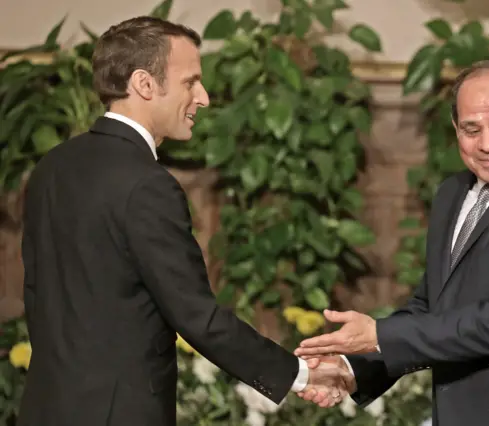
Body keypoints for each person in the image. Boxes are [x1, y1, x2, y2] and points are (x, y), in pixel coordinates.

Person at [18, 16, 347, 426]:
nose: (204, 97)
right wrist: (300, 375)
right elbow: (196, 315)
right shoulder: (147, 185)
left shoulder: (52, 166)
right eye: (191, 82)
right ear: (144, 84)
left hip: (43, 409)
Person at [295, 60, 489, 426]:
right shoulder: (453, 193)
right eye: (471, 130)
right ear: (455, 129)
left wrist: (376, 335)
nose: (488, 144)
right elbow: (433, 310)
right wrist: (355, 370)